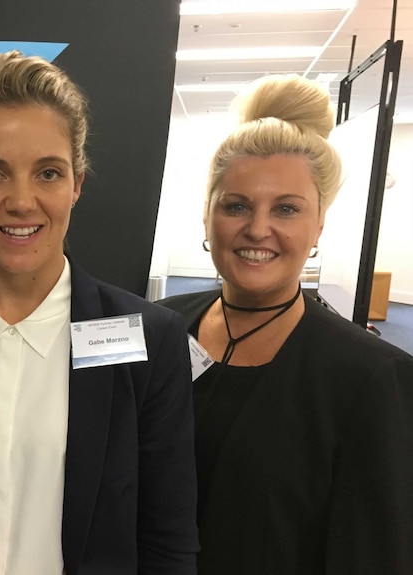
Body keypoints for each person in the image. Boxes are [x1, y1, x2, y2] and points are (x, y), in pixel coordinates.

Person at [0, 51, 198, 574]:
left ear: (77, 183)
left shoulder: (149, 339)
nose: (22, 201)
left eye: (48, 173)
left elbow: (168, 540)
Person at [159, 75, 413, 573]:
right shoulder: (163, 328)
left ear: (318, 224)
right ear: (207, 215)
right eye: (236, 206)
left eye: (287, 209)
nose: (258, 229)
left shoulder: (369, 377)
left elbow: (374, 551)